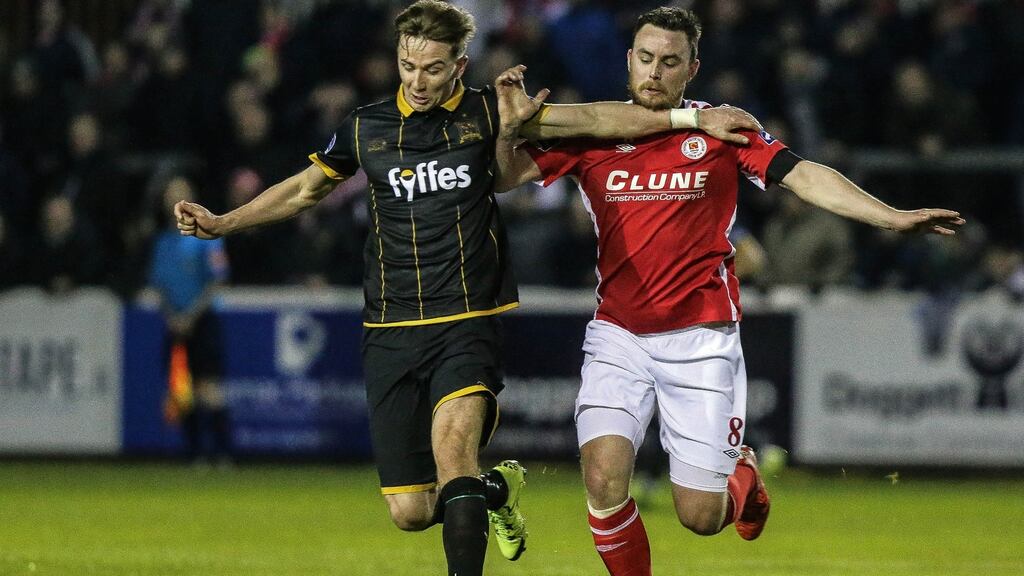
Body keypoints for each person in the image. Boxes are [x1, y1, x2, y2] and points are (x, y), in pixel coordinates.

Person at [173, 2, 759, 574]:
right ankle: (497, 492)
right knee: (411, 510)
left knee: (455, 453)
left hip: (467, 320)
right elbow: (304, 190)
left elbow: (597, 120)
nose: (418, 81)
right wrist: (226, 221)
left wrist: (691, 118)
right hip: (390, 325)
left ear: (459, 63)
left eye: (433, 68)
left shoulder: (486, 112)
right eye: (408, 66)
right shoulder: (367, 128)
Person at [493, 7, 964, 575]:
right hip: (618, 334)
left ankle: (741, 474)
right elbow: (499, 178)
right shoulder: (595, 130)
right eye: (645, 59)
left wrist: (887, 217)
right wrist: (509, 127)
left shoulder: (719, 127)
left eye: (670, 62)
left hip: (701, 338)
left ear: (692, 68)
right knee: (602, 479)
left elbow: (801, 172)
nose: (655, 73)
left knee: (699, 515)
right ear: (628, 60)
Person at [149, 176, 232, 464]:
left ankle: (222, 455)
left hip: (204, 321)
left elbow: (216, 282)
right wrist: (173, 316)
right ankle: (194, 454)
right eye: (170, 196)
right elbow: (158, 287)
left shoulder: (206, 235)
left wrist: (191, 316)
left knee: (209, 389)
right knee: (181, 389)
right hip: (176, 324)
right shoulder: (162, 242)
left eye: (181, 195)